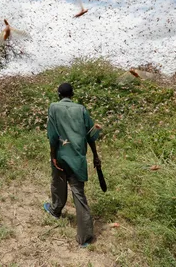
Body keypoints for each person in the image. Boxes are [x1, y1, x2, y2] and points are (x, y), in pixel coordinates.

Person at [43, 82, 101, 247]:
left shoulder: (54, 107)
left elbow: (53, 135)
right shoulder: (81, 109)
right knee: (79, 194)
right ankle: (85, 238)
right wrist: (96, 156)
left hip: (61, 155)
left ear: (59, 95)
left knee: (58, 182)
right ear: (72, 94)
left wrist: (53, 155)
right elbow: (91, 134)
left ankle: (55, 210)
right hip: (77, 158)